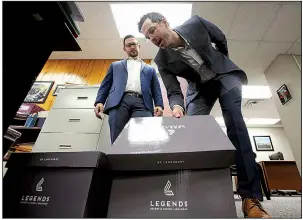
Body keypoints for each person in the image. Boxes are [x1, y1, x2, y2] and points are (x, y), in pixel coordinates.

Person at [138, 13, 271, 218]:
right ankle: (198, 195)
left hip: (225, 76)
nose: (152, 39)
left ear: (164, 22)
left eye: (152, 31)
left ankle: (250, 198)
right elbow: (173, 91)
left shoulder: (196, 23)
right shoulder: (161, 60)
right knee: (192, 134)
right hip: (200, 88)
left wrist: (221, 62)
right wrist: (177, 107)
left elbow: (220, 38)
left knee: (234, 121)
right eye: (147, 37)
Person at [94, 35, 164, 144]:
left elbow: (156, 88)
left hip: (143, 103)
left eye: (134, 44)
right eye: (128, 45)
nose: (132, 47)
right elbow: (105, 85)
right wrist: (99, 101)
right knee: (117, 139)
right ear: (124, 49)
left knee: (143, 139)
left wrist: (159, 105)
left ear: (139, 46)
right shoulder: (115, 65)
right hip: (119, 102)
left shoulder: (150, 69)